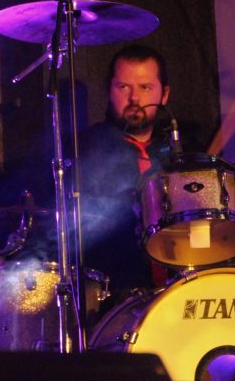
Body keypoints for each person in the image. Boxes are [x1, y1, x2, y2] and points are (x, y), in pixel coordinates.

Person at [76, 44, 173, 315]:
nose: (134, 98)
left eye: (145, 87)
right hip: (110, 300)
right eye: (123, 87)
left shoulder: (179, 154)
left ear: (164, 94)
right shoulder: (83, 151)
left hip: (178, 294)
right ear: (109, 91)